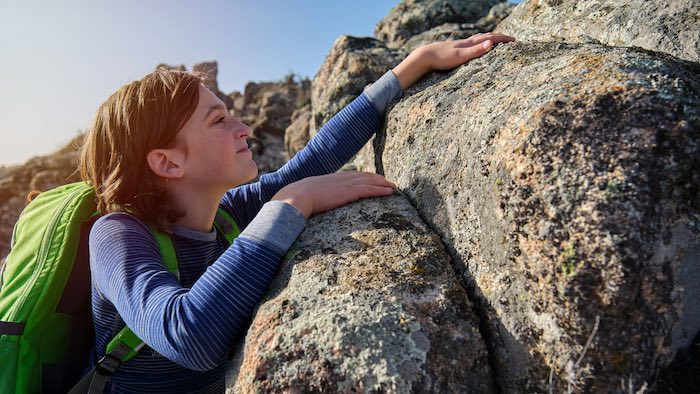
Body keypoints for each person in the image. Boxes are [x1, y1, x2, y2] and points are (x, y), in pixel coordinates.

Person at [80, 32, 515, 392]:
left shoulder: (225, 213)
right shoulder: (116, 235)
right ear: (168, 163)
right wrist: (291, 204)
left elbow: (310, 163)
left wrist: (411, 68)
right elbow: (190, 336)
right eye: (218, 121)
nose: (243, 128)